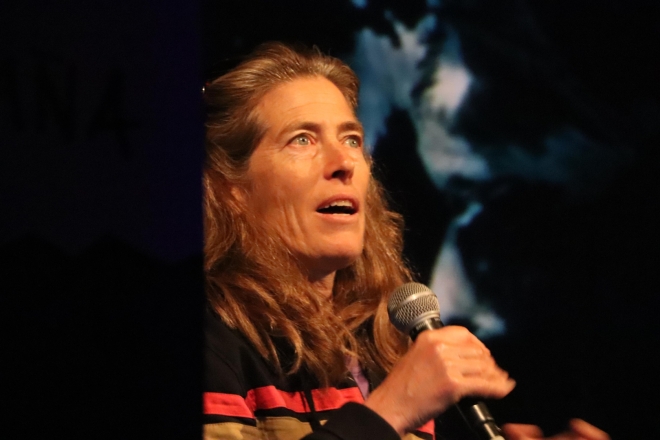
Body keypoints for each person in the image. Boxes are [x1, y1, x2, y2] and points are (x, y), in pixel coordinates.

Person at [202, 42, 609, 440]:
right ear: (229, 188)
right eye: (302, 139)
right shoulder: (210, 342)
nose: (344, 163)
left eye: (352, 139)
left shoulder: (380, 347)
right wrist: (390, 411)